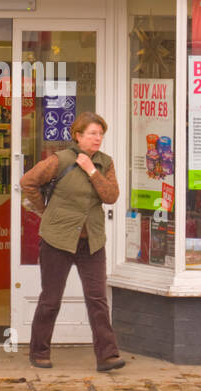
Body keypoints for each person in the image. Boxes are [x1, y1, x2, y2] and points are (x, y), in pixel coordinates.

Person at [20, 112, 125, 372]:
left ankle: (107, 356)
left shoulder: (105, 163)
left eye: (100, 134)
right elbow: (27, 182)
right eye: (92, 133)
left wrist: (91, 171)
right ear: (78, 136)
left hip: (92, 242)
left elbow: (111, 196)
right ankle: (39, 351)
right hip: (57, 240)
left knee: (98, 299)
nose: (97, 138)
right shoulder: (60, 160)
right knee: (51, 298)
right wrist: (45, 210)